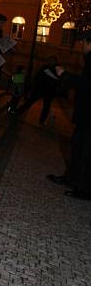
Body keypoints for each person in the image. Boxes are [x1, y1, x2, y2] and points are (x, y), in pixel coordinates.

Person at [55, 32, 91, 200]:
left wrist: (65, 75)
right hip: (85, 116)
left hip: (88, 117)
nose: (81, 46)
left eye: (83, 42)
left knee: (84, 151)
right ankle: (72, 179)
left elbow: (86, 85)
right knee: (76, 147)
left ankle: (84, 189)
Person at [16, 56, 60, 124]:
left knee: (46, 106)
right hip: (40, 88)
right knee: (30, 101)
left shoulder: (58, 69)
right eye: (50, 60)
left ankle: (42, 120)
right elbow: (38, 75)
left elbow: (58, 80)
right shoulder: (44, 67)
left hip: (49, 91)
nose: (51, 62)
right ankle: (19, 111)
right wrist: (36, 84)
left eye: (53, 60)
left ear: (55, 62)